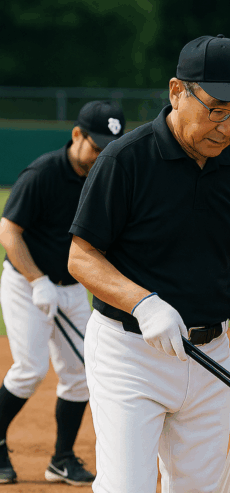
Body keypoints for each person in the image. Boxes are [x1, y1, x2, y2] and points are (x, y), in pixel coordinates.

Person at [67, 35, 230, 493]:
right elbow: (81, 256)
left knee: (200, 488)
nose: (228, 126)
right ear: (177, 91)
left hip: (211, 355)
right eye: (217, 109)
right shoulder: (124, 160)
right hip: (130, 353)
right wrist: (144, 303)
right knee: (126, 487)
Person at [0, 101, 125, 486]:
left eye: (110, 147)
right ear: (76, 135)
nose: (102, 154)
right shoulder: (43, 173)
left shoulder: (103, 177)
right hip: (26, 283)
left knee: (81, 372)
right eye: (97, 145)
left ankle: (62, 459)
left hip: (71, 288)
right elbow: (8, 231)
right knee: (30, 369)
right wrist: (38, 280)